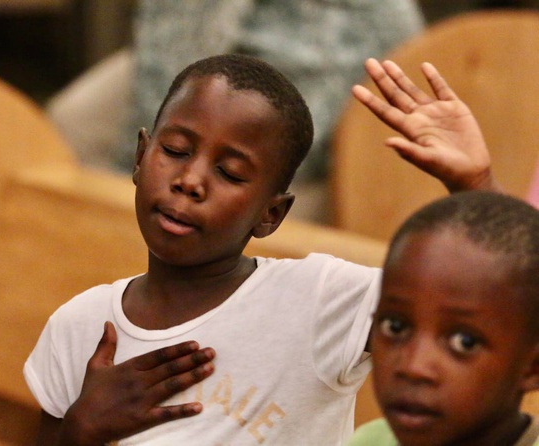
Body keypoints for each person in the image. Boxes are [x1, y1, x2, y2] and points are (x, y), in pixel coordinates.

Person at [24, 54, 493, 445]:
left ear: (271, 214)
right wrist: (79, 431)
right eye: (176, 149)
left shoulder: (319, 301)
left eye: (229, 173)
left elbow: (495, 302)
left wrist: (475, 186)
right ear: (140, 156)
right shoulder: (78, 327)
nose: (190, 181)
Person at [46, 0, 424, 222]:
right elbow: (176, 31)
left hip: (305, 81)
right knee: (68, 123)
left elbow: (397, 41)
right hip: (194, 51)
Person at [346, 190, 539, 446]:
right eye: (395, 327)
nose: (413, 366)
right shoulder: (370, 441)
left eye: (464, 342)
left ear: (533, 367)